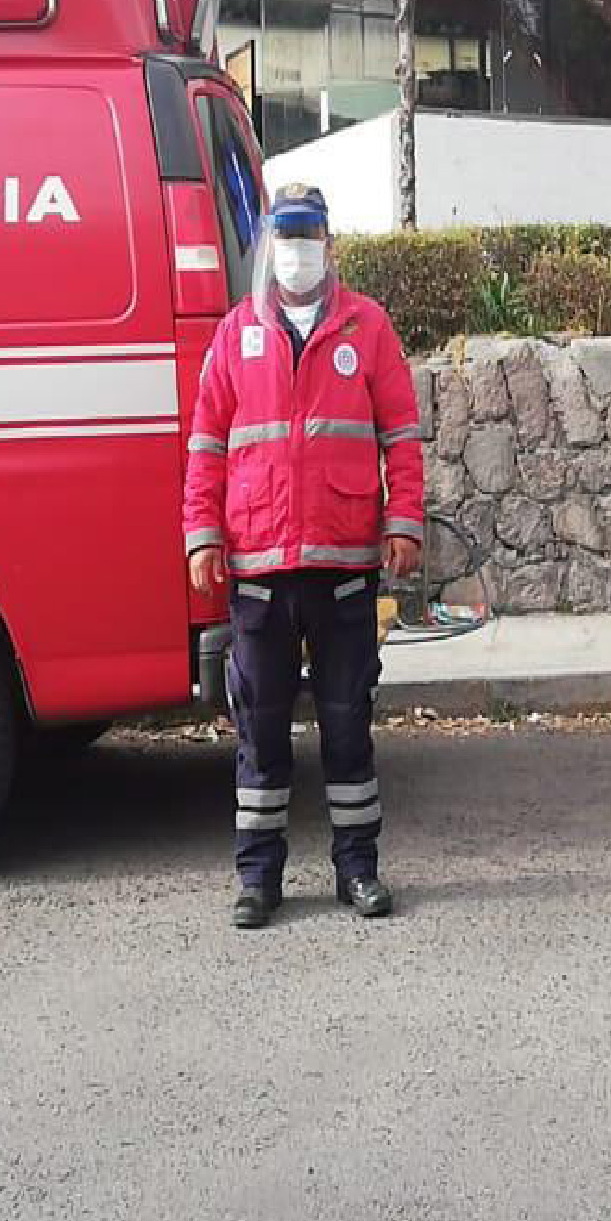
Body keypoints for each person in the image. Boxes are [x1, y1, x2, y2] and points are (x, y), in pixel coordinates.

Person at [182, 184, 426, 928]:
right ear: (269, 246)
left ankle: (359, 870)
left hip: (344, 565)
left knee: (348, 724)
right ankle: (259, 878)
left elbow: (401, 435)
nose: (297, 250)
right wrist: (202, 534)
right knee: (260, 731)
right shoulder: (237, 333)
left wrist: (405, 522)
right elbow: (206, 443)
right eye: (285, 236)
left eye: (308, 235)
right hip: (259, 568)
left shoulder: (367, 327)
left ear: (329, 243)